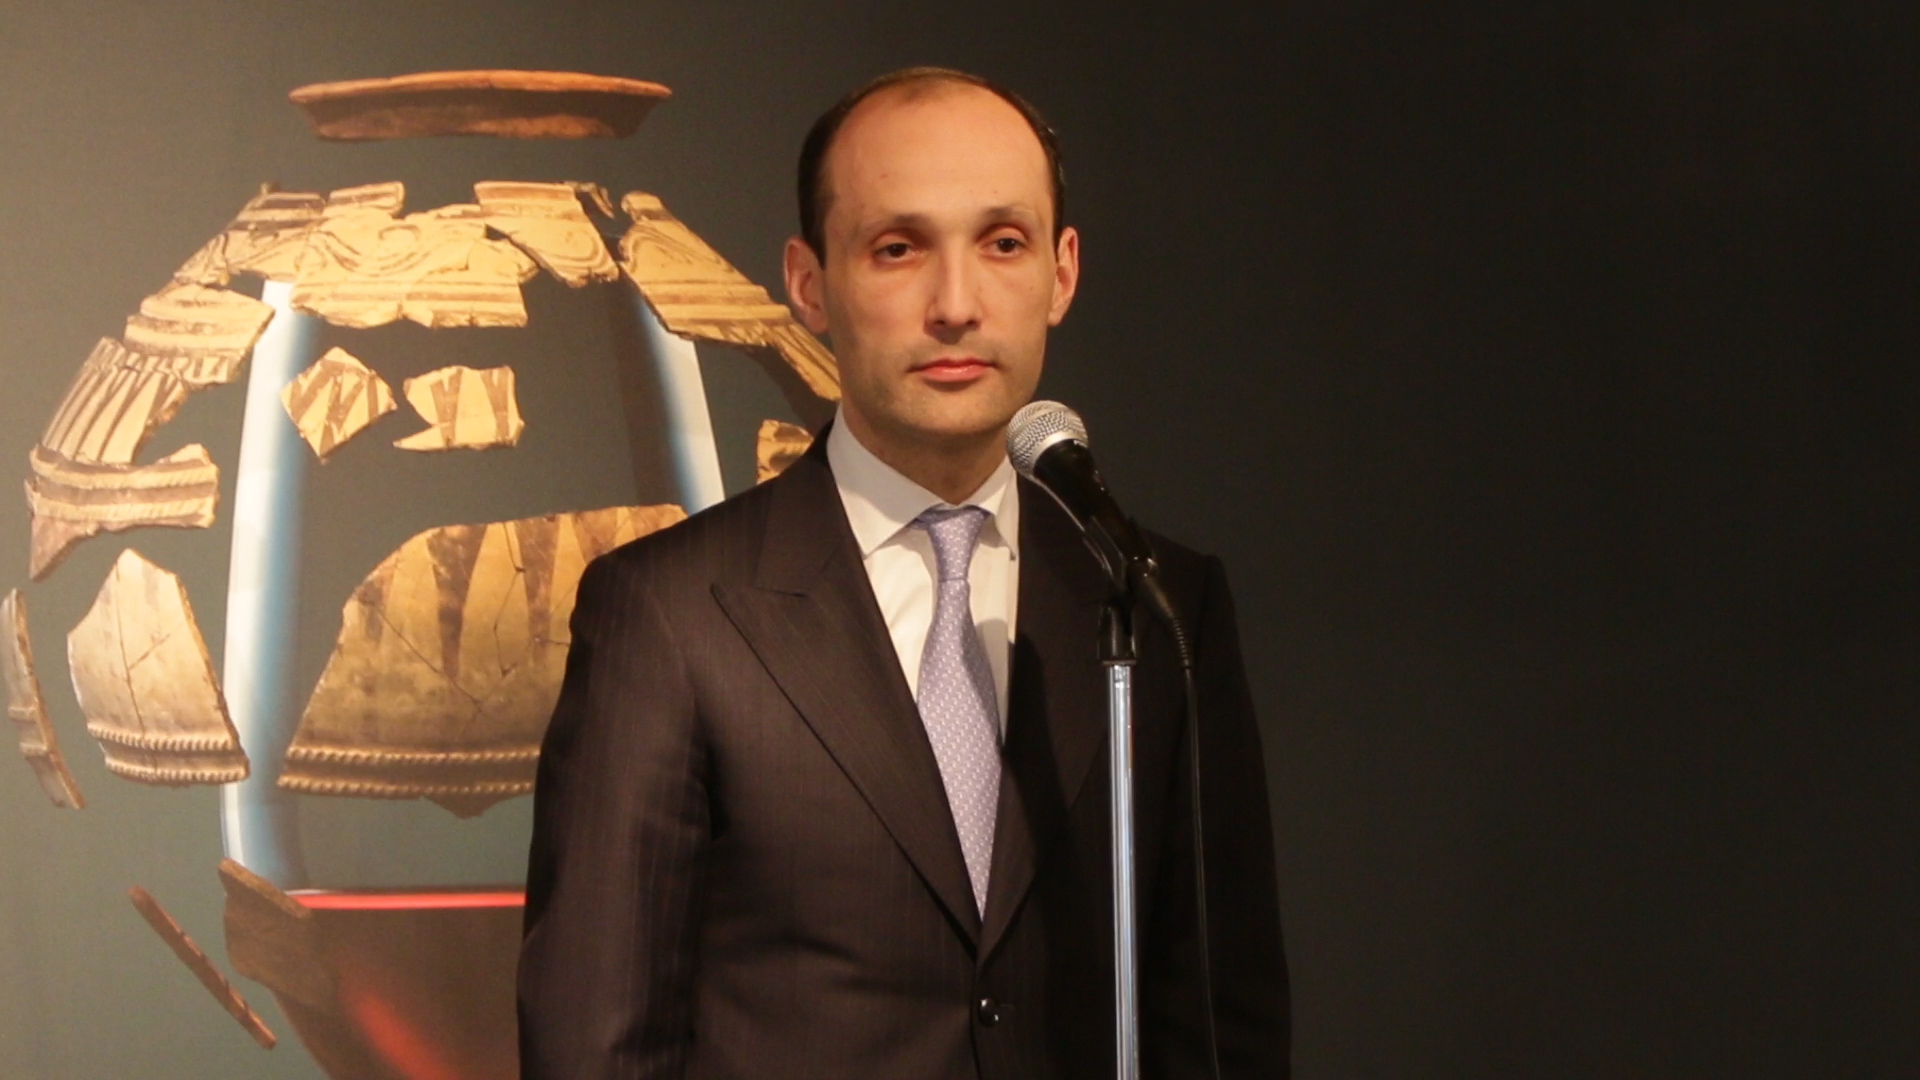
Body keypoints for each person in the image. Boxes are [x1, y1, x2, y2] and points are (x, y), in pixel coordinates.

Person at [517, 67, 1288, 1079]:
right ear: (809, 283)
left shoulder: (1154, 603)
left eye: (1002, 243)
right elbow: (595, 1046)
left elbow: (1223, 1028)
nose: (957, 306)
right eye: (898, 248)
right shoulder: (670, 614)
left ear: (1062, 274)